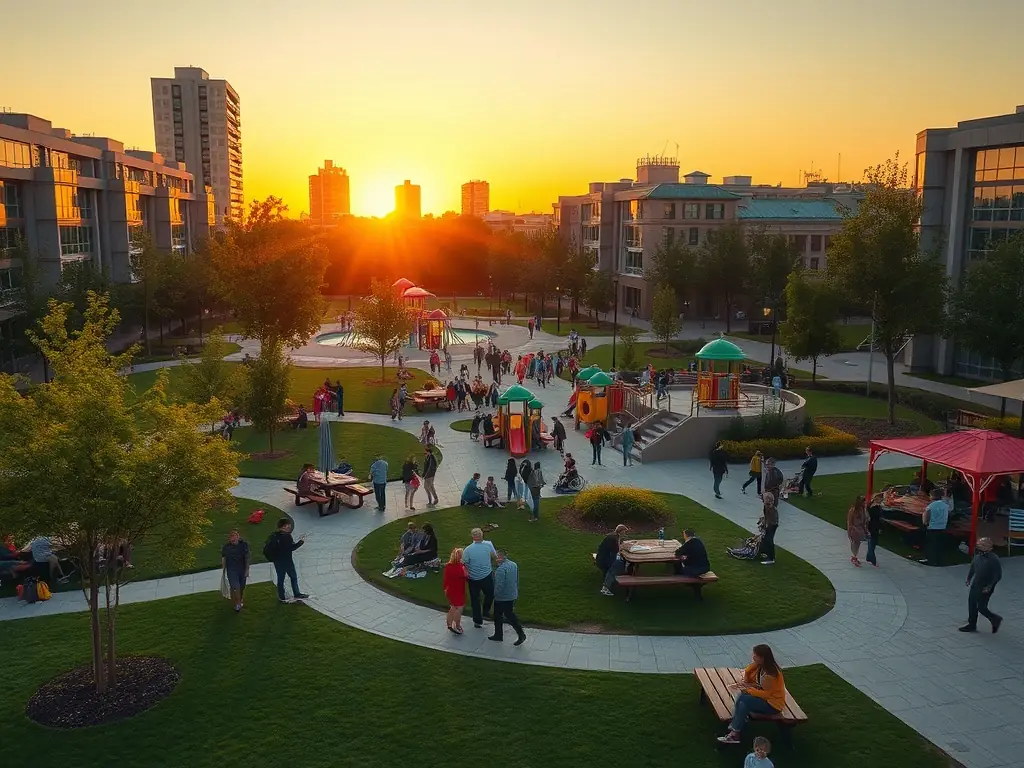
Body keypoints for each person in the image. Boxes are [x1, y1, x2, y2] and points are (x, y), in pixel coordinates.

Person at [717, 644, 786, 744]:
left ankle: (735, 731)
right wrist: (750, 669)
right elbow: (750, 679)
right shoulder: (761, 667)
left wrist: (750, 691)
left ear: (762, 658)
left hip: (773, 705)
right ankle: (735, 730)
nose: (753, 657)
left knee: (744, 699)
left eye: (755, 656)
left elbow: (767, 694)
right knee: (743, 700)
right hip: (766, 699)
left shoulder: (770, 675)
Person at [960, 537, 1003, 633]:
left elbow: (998, 575)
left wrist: (989, 586)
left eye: (983, 545)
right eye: (979, 544)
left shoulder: (993, 559)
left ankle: (995, 619)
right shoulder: (978, 554)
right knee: (972, 604)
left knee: (981, 607)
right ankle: (972, 625)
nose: (980, 546)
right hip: (976, 583)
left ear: (990, 548)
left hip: (985, 586)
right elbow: (973, 566)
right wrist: (969, 578)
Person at [265, 518, 309, 603]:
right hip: (287, 561)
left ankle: (282, 597)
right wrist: (301, 542)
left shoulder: (275, 535)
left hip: (278, 561)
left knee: (281, 579)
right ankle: (296, 593)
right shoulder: (286, 537)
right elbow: (291, 548)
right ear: (283, 527)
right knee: (293, 577)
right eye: (288, 525)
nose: (290, 526)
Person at [489, 549, 527, 645]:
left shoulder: (501, 570)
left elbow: (499, 586)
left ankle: (502, 635)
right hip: (512, 594)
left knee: (500, 615)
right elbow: (516, 579)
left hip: (502, 597)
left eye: (496, 557)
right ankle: (503, 634)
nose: (495, 559)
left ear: (501, 557)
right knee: (508, 614)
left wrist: (494, 595)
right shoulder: (513, 565)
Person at [463, 528, 496, 628]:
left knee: (475, 599)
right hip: (486, 576)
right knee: (490, 594)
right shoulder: (488, 546)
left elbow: (464, 563)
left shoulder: (467, 550)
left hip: (473, 579)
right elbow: (493, 556)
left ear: (472, 537)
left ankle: (477, 621)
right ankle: (485, 611)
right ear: (482, 536)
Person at [220, 529, 250, 613]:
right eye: (231, 538)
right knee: (235, 587)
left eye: (234, 538)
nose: (232, 540)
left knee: (242, 587)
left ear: (238, 537)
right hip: (232, 570)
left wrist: (247, 569)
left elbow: (247, 557)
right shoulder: (226, 547)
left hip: (242, 569)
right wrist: (223, 569)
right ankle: (237, 603)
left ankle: (240, 599)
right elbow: (224, 558)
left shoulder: (243, 545)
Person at [596, 524, 629, 596]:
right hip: (604, 560)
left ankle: (608, 584)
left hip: (602, 557)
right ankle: (605, 588)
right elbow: (616, 550)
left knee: (620, 562)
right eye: (624, 531)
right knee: (617, 565)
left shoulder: (613, 536)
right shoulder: (614, 538)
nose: (625, 533)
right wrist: (624, 549)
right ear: (621, 531)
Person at [443, 548, 468, 634]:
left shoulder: (448, 566)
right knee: (459, 608)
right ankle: (457, 625)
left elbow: (446, 580)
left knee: (453, 607)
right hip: (458, 590)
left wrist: (445, 589)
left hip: (452, 589)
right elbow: (466, 576)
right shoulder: (461, 567)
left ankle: (449, 624)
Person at [922, 487, 949, 566]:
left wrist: (925, 523)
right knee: (939, 545)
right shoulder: (945, 505)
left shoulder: (931, 506)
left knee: (931, 545)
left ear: (933, 496)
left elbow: (926, 517)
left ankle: (930, 560)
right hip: (942, 527)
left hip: (932, 527)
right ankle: (939, 560)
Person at [847, 495, 869, 567]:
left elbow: (863, 522)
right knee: (854, 543)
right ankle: (854, 556)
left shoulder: (862, 510)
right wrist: (850, 530)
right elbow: (850, 522)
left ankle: (854, 556)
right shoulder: (853, 510)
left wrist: (865, 531)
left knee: (858, 543)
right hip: (854, 529)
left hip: (860, 529)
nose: (864, 503)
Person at [759, 492, 779, 565]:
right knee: (765, 539)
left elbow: (772, 521)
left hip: (773, 525)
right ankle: (765, 552)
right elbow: (765, 515)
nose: (763, 501)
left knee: (769, 540)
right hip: (768, 524)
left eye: (764, 499)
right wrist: (763, 523)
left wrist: (766, 526)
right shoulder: (765, 506)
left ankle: (771, 558)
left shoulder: (773, 510)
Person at [865, 498, 881, 567]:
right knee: (872, 543)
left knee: (872, 543)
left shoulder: (871, 508)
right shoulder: (875, 508)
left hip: (873, 527)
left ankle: (869, 557)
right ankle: (873, 560)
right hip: (873, 527)